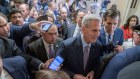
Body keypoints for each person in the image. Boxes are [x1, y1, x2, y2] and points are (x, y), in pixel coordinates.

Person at [57, 14, 102, 79]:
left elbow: (97, 63)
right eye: (94, 30)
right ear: (83, 29)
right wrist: (73, 76)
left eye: (99, 30)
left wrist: (93, 71)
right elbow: (55, 67)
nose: (98, 34)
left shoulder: (98, 46)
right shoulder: (66, 45)